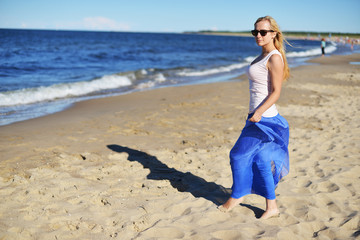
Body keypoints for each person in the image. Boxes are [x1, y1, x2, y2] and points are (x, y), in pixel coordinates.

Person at [218, 16, 290, 220]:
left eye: (263, 32)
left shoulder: (274, 58)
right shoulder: (262, 56)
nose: (258, 35)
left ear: (274, 33)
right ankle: (272, 207)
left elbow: (276, 92)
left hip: (264, 119)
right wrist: (253, 112)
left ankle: (237, 196)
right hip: (257, 116)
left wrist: (258, 112)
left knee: (237, 155)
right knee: (261, 161)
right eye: (255, 32)